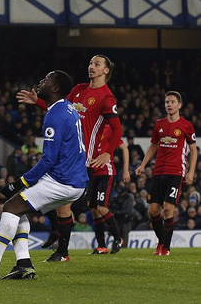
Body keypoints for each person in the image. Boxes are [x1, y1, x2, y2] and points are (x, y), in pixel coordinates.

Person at [0, 70, 87, 280]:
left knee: (10, 207)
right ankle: (24, 265)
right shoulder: (67, 108)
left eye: (46, 79)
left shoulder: (54, 116)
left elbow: (48, 160)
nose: (41, 81)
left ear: (54, 88)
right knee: (19, 209)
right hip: (76, 181)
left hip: (62, 180)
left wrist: (20, 182)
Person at [17, 54, 124, 260]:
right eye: (91, 63)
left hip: (82, 158)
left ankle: (62, 248)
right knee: (51, 196)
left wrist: (106, 153)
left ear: (106, 71)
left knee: (59, 201)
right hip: (65, 151)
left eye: (97, 64)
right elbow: (58, 109)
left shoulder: (106, 97)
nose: (92, 67)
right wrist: (37, 101)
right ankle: (58, 235)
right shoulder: (78, 90)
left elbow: (117, 130)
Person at [135, 91, 197, 256]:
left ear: (179, 105)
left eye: (172, 102)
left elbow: (193, 150)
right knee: (153, 211)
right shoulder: (159, 124)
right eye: (167, 102)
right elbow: (154, 146)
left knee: (168, 209)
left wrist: (191, 171)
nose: (169, 104)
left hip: (176, 172)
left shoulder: (186, 126)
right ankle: (161, 241)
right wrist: (142, 165)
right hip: (158, 171)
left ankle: (165, 248)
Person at [88, 125, 131, 254]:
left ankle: (118, 239)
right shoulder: (90, 129)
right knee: (94, 210)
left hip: (106, 173)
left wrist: (125, 171)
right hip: (93, 173)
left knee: (102, 208)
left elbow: (124, 149)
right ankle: (102, 246)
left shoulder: (110, 128)